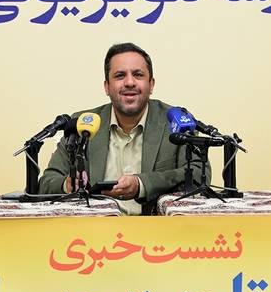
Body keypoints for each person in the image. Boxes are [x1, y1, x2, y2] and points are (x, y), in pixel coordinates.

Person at [39, 42, 209, 215]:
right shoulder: (83, 125)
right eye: (120, 76)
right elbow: (46, 182)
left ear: (151, 84)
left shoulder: (175, 122)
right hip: (95, 227)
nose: (129, 82)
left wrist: (142, 184)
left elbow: (199, 174)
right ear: (107, 86)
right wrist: (67, 185)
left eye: (138, 74)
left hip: (156, 228)